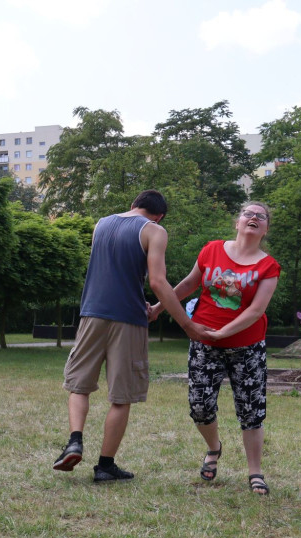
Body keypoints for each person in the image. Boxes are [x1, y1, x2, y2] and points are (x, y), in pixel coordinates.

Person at [53, 190, 211, 483]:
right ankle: (105, 465)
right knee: (121, 395)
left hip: (91, 313)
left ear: (133, 205)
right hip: (128, 319)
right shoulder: (155, 231)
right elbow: (157, 281)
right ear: (159, 215)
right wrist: (186, 324)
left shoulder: (101, 224)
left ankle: (75, 440)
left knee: (79, 384)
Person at [155, 202, 281, 494]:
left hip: (247, 346)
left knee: (251, 410)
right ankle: (214, 448)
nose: (253, 218)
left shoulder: (268, 266)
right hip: (203, 343)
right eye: (247, 213)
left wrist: (223, 332)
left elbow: (256, 310)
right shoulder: (211, 250)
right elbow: (187, 285)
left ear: (265, 229)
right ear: (237, 222)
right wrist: (159, 308)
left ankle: (255, 472)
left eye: (260, 216)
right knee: (199, 406)